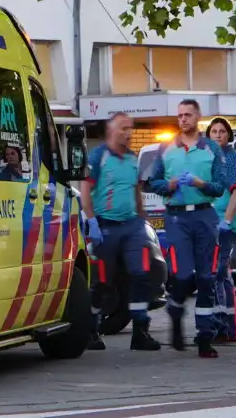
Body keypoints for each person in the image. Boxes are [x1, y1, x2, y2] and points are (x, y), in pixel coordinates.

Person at [147, 99, 236, 358]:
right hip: (176, 218)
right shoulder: (166, 148)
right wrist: (170, 185)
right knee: (183, 275)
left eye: (187, 115)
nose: (183, 119)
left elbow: (220, 185)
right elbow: (153, 182)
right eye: (180, 115)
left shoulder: (210, 148)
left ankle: (205, 337)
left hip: (204, 216)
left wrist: (201, 184)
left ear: (198, 116)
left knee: (207, 277)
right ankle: (175, 310)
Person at [82, 112, 161, 351]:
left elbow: (136, 191)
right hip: (106, 226)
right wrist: (92, 222)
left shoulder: (132, 159)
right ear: (111, 131)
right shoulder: (99, 157)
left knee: (140, 276)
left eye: (130, 129)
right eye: (124, 128)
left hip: (131, 225)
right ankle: (92, 330)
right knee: (102, 282)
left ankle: (140, 331)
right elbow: (85, 191)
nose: (128, 133)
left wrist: (143, 219)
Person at [207, 117, 236, 343]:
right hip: (209, 224)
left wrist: (226, 221)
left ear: (228, 135)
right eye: (214, 131)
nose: (218, 135)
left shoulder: (232, 159)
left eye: (222, 131)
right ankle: (224, 326)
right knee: (217, 274)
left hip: (226, 226)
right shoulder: (207, 159)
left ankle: (226, 327)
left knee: (219, 272)